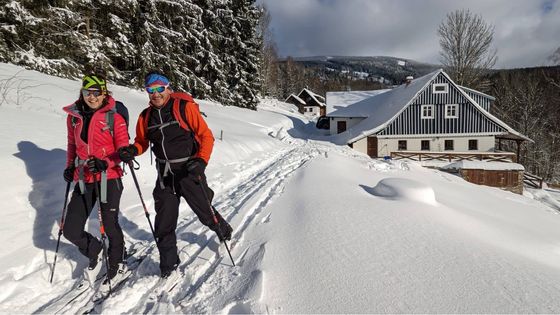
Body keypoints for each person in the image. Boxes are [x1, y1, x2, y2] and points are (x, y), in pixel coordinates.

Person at [118, 71, 232, 278]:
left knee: (204, 211)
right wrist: (132, 150)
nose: (156, 94)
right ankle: (168, 264)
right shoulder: (146, 116)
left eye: (160, 89)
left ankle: (222, 229)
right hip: (164, 174)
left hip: (189, 170)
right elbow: (142, 141)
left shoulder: (184, 108)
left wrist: (201, 161)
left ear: (168, 88)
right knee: (164, 220)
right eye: (151, 90)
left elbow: (206, 136)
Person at [62, 74, 129, 285]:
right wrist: (69, 167)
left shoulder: (113, 117)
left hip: (109, 177)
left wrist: (105, 163)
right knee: (70, 230)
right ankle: (95, 249)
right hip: (84, 178)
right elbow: (72, 146)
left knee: (110, 224)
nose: (91, 97)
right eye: (87, 93)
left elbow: (124, 150)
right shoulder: (74, 117)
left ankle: (118, 259)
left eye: (96, 93)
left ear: (104, 93)